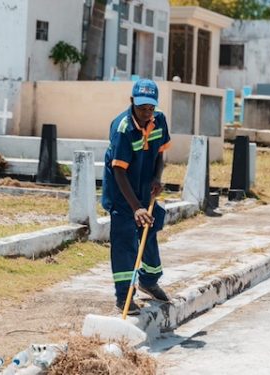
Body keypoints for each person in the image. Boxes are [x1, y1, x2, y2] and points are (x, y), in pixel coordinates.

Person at [101, 79, 172, 315]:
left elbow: (160, 152)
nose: (146, 113)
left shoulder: (159, 120)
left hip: (144, 189)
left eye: (150, 108)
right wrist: (135, 208)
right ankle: (124, 297)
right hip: (123, 195)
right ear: (132, 102)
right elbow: (119, 171)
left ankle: (149, 281)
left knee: (149, 232)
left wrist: (157, 178)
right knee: (124, 243)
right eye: (142, 108)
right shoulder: (123, 129)